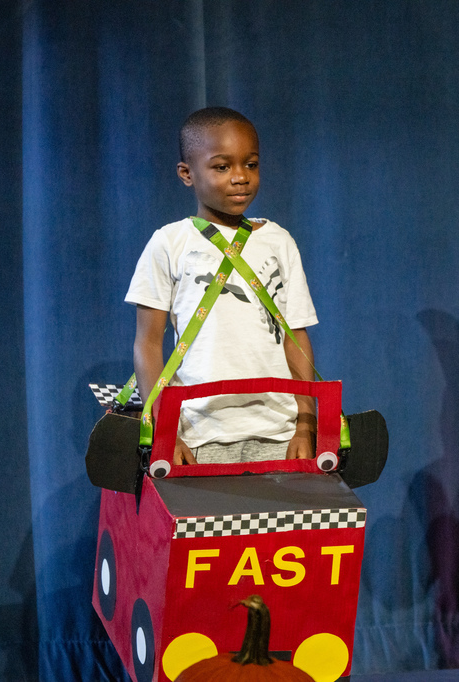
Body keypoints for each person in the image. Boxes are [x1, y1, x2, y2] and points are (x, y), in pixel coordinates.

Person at [125, 107, 318, 465]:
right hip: (199, 432)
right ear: (187, 174)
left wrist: (304, 426)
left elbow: (296, 338)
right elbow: (148, 342)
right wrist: (166, 431)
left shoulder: (279, 241)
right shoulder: (169, 243)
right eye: (222, 166)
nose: (240, 177)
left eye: (251, 164)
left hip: (279, 430)